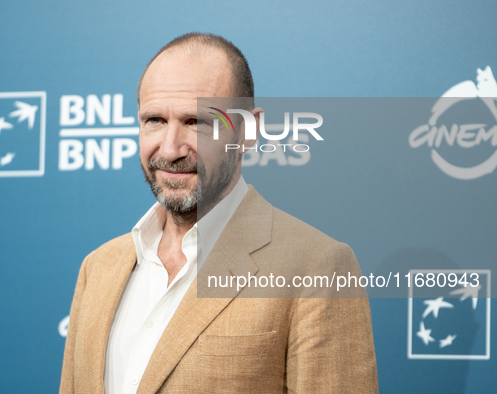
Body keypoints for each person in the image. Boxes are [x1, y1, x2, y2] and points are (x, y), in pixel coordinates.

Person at [60, 32, 378, 394]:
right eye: (154, 120)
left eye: (197, 122)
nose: (170, 148)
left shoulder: (316, 266)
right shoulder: (98, 268)